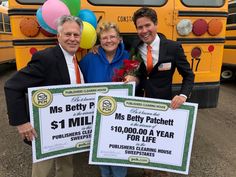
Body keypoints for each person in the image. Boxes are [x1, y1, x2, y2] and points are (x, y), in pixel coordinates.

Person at [4, 15, 84, 177]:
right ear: (58, 36)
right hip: (45, 131)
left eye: (76, 35)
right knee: (42, 170)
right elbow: (12, 86)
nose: (72, 39)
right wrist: (22, 122)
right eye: (68, 34)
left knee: (66, 166)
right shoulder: (46, 58)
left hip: (67, 129)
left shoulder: (75, 59)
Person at [126, 7, 194, 177]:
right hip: (140, 104)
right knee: (144, 144)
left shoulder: (173, 48)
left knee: (161, 149)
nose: (144, 31)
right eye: (139, 27)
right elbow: (114, 46)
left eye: (147, 25)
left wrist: (183, 95)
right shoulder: (135, 45)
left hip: (164, 106)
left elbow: (188, 75)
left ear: (156, 24)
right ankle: (147, 172)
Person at [79, 21, 129, 177]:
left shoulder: (130, 57)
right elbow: (78, 82)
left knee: (119, 155)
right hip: (96, 115)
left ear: (119, 39)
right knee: (101, 152)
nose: (109, 41)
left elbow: (139, 81)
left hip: (121, 117)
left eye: (112, 37)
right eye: (104, 38)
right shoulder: (89, 59)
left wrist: (135, 79)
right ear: (99, 41)